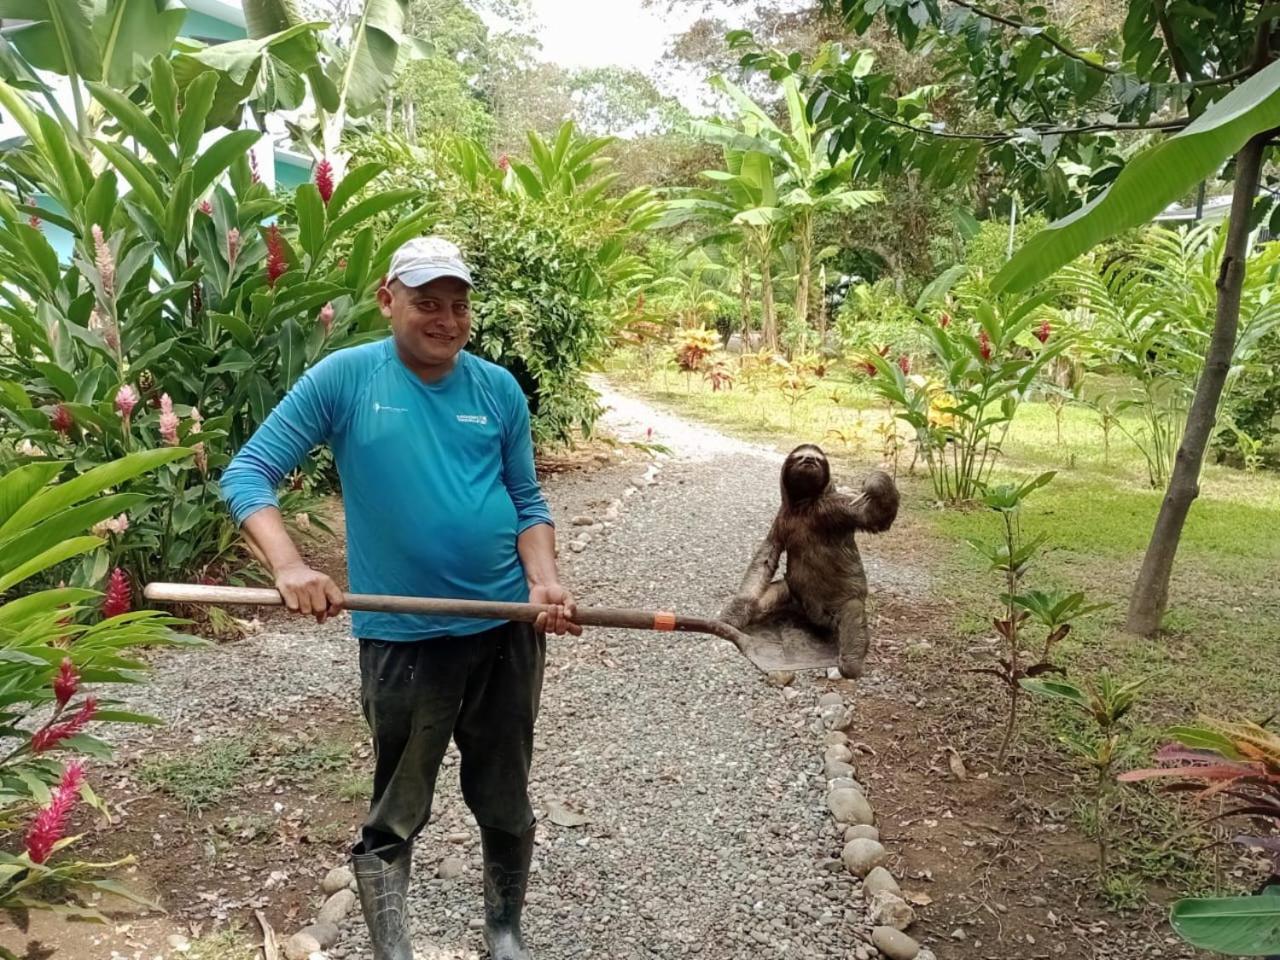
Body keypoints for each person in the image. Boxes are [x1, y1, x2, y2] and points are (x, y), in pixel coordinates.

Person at [220, 236, 579, 960]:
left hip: (506, 628)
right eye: (426, 303)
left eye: (457, 305)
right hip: (404, 640)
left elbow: (527, 500)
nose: (445, 319)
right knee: (398, 807)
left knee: (505, 798)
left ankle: (504, 930)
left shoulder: (497, 389)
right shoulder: (345, 379)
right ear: (388, 299)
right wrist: (289, 565)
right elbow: (248, 473)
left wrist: (542, 580)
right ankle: (394, 951)